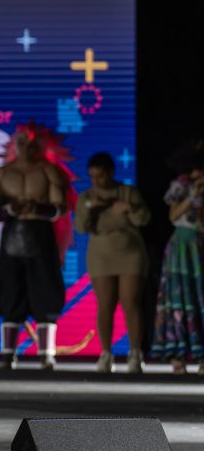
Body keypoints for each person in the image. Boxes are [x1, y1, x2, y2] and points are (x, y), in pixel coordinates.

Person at [0, 123, 76, 370]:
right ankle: (8, 353)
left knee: (46, 293)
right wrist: (11, 209)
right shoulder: (3, 174)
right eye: (21, 141)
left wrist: (36, 208)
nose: (26, 147)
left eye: (30, 142)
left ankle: (46, 353)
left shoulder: (49, 172)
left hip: (41, 238)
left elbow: (60, 208)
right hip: (12, 238)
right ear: (14, 144)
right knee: (10, 294)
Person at [74, 152, 150, 373]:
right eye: (92, 177)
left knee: (130, 301)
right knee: (105, 303)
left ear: (111, 173)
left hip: (130, 252)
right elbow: (80, 227)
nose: (96, 181)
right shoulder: (87, 197)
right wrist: (90, 207)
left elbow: (144, 219)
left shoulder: (127, 192)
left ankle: (135, 353)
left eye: (100, 176)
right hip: (102, 254)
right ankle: (106, 353)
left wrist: (129, 208)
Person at [150, 141, 204, 373]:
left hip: (200, 243)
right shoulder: (181, 186)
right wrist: (192, 196)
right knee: (179, 296)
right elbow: (173, 216)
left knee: (199, 297)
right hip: (182, 245)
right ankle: (177, 352)